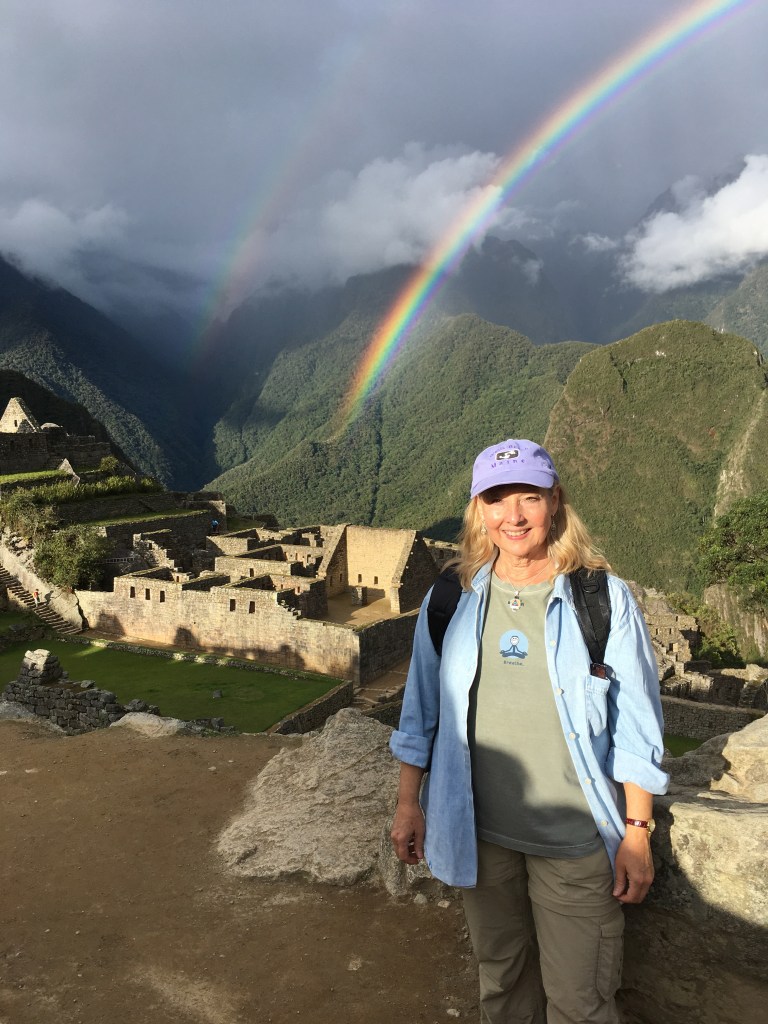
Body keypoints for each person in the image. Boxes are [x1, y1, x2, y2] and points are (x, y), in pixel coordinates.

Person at [390, 438, 668, 1024]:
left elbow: (636, 724)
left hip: (575, 843)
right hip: (479, 835)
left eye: (528, 497)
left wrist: (637, 832)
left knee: (580, 1002)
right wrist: (408, 803)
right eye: (496, 499)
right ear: (478, 510)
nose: (512, 516)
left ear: (555, 502)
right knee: (502, 986)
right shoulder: (451, 598)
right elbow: (421, 711)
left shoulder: (603, 600)